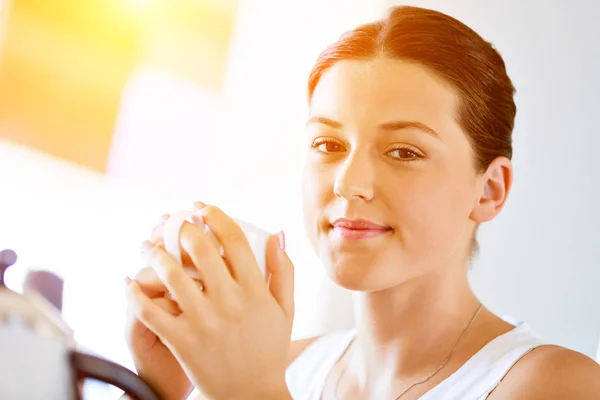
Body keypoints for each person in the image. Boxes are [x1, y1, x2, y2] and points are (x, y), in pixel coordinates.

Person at [123, 6, 600, 400]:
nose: (349, 184)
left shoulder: (555, 385)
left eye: (404, 152)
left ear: (489, 189)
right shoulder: (280, 367)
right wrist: (157, 390)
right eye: (328, 145)